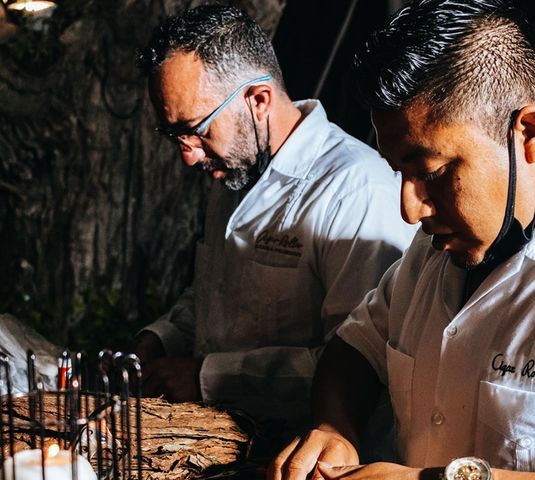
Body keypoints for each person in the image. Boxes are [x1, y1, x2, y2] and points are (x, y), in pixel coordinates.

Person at [270, 0, 535, 479]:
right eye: (400, 173)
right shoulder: (441, 243)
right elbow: (357, 346)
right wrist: (335, 427)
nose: (410, 209)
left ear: (529, 134)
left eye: (434, 172)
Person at [132, 4, 416, 439]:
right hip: (220, 442)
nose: (188, 155)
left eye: (197, 129)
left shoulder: (357, 190)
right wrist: (161, 337)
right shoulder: (232, 172)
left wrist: (208, 378)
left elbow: (362, 363)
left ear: (258, 100)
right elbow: (214, 295)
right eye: (174, 135)